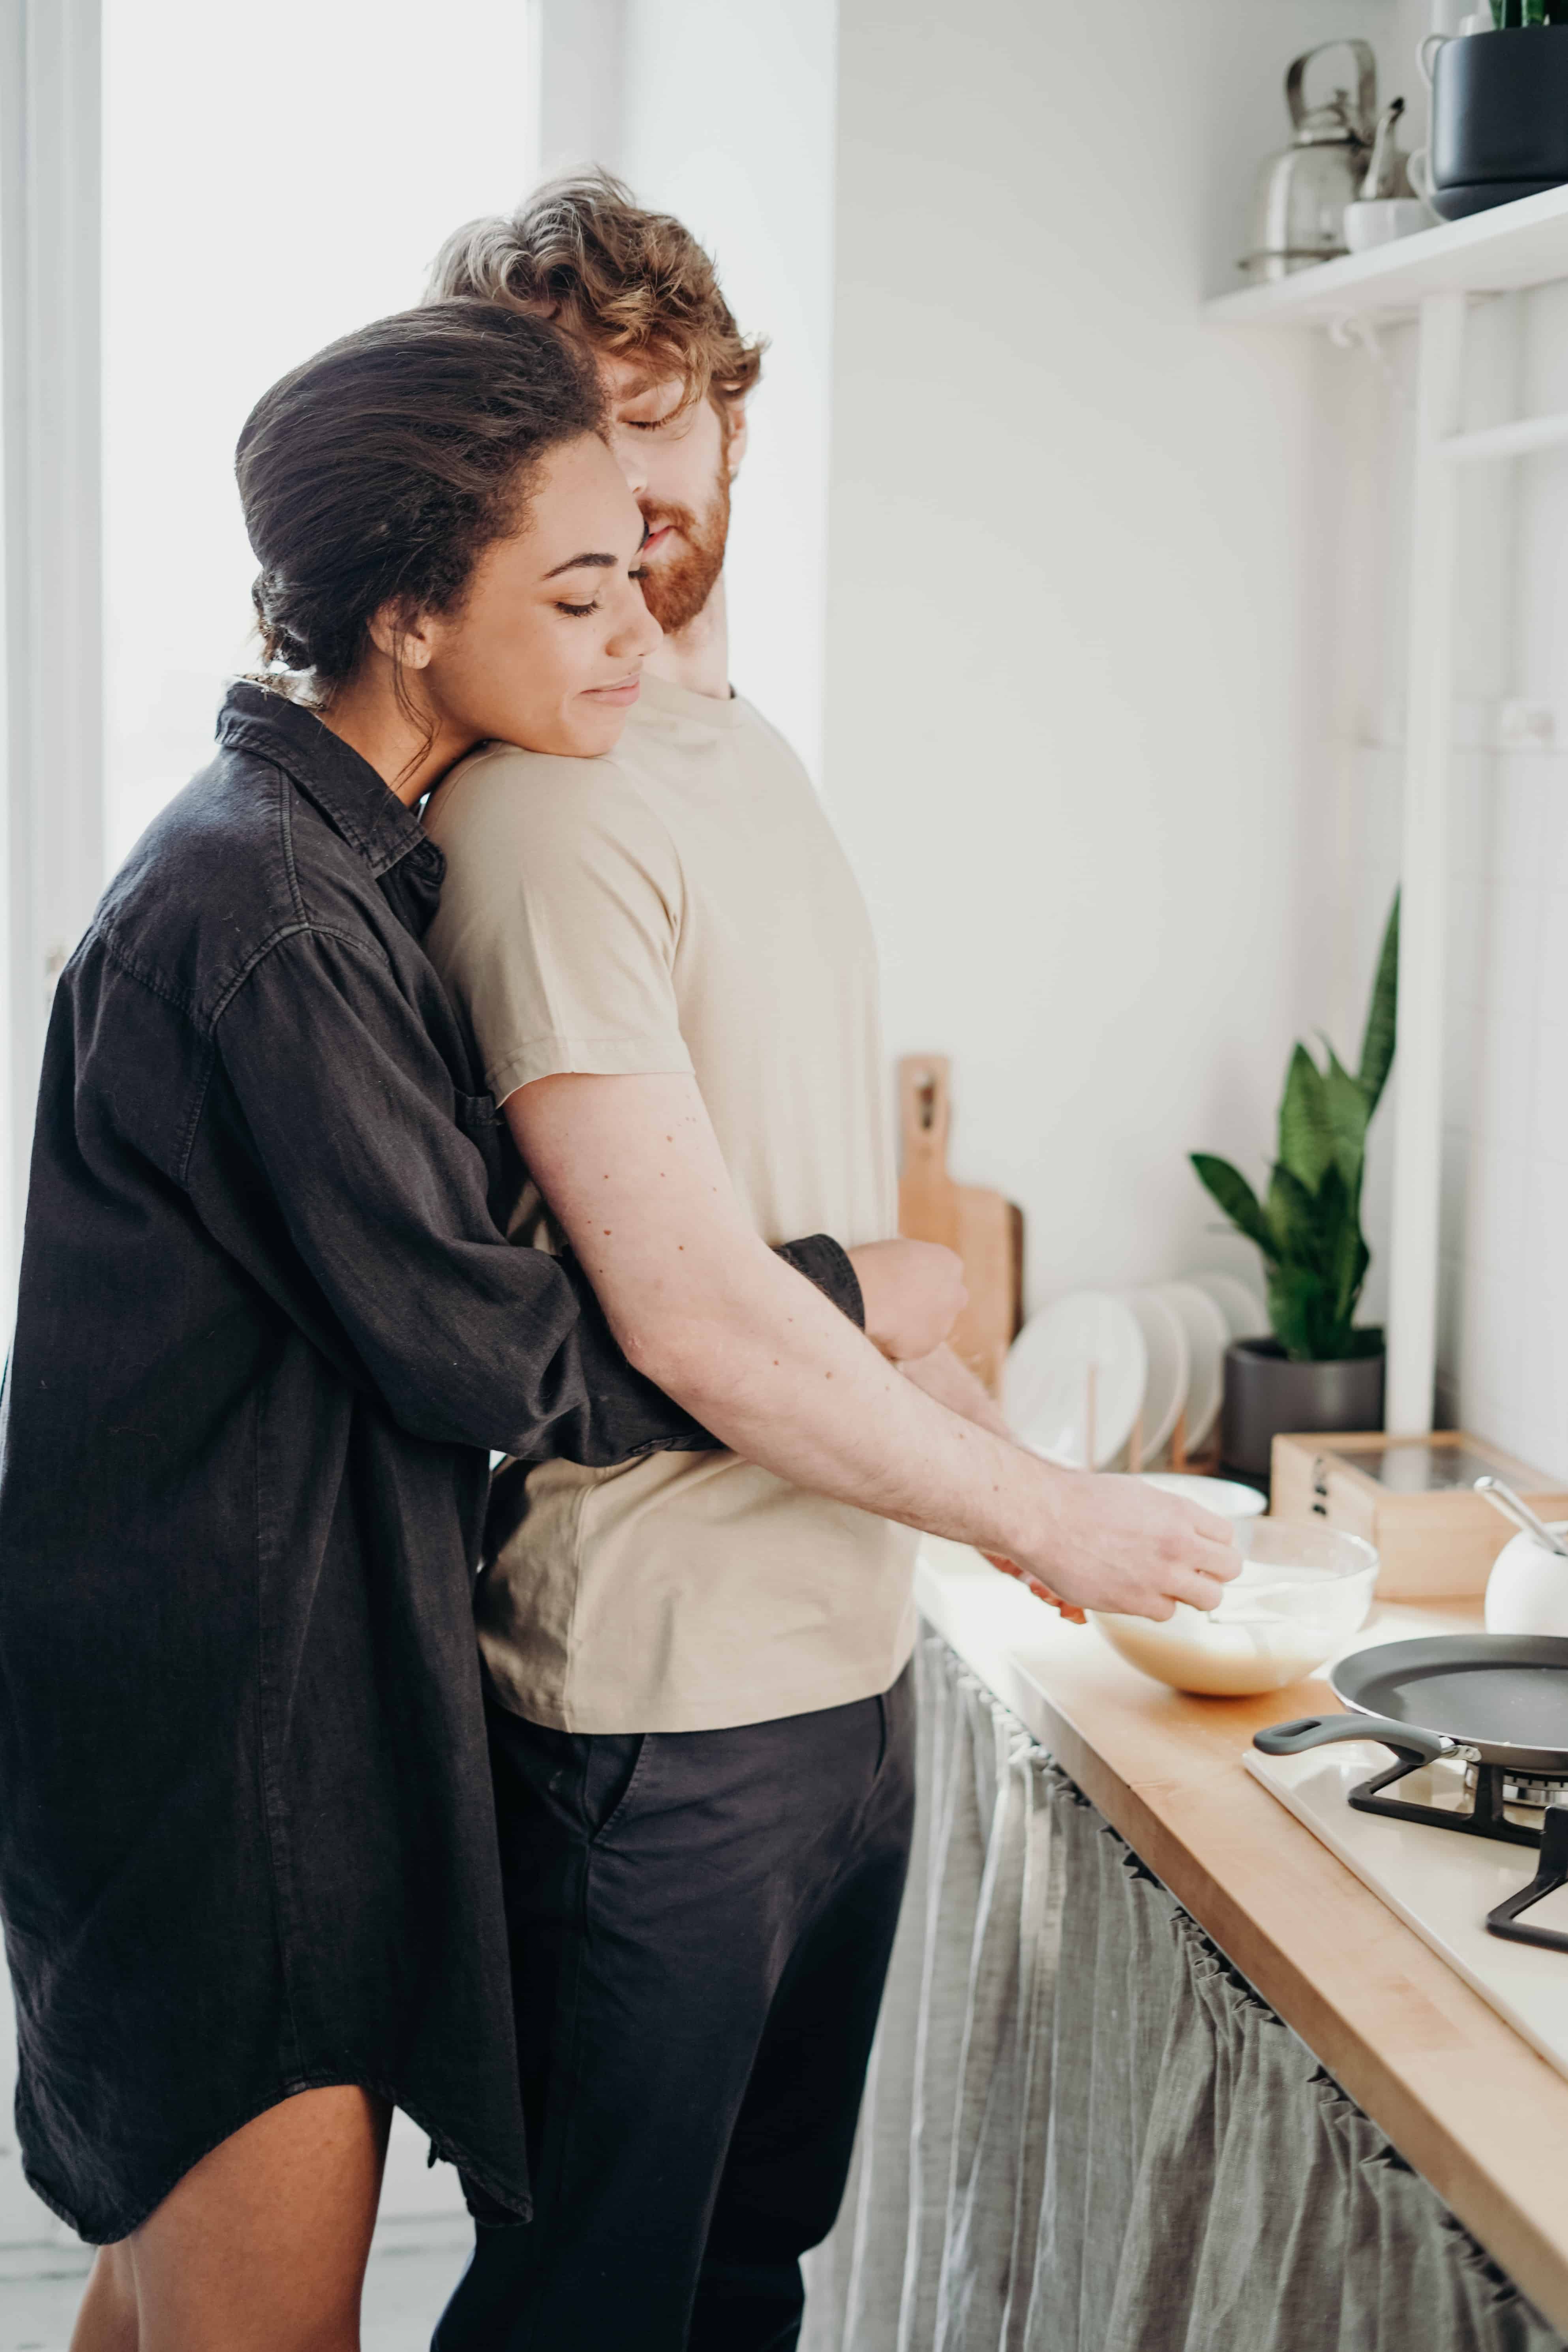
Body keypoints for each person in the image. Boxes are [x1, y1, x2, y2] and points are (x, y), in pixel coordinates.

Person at [0, 300, 930, 2352]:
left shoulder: (329, 860)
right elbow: (494, 1352)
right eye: (578, 587)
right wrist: (858, 1300)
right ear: (414, 616)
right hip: (224, 1766)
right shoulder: (265, 916)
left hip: (236, 1711)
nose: (633, 628)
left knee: (156, 2306)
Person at [422, 178, 1239, 2352]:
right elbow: (679, 1310)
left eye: (678, 422)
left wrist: (975, 1462)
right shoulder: (543, 806)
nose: (656, 480)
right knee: (589, 2306)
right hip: (653, 1714)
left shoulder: (726, 746)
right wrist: (1037, 1507)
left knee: (740, 2284)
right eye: (592, 429)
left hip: (837, 1671)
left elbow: (794, 1199)